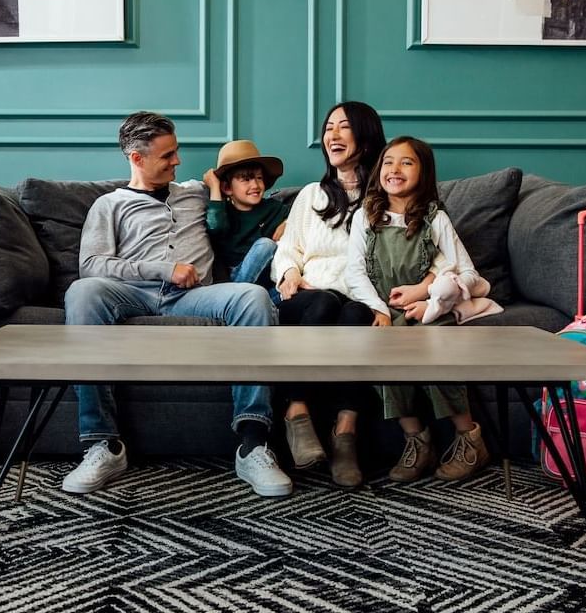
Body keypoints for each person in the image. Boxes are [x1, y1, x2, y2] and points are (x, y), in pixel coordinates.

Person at [61, 111, 292, 498]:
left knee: (252, 297)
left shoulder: (193, 193)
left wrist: (216, 184)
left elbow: (235, 198)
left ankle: (253, 443)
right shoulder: (110, 205)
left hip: (196, 296)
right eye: (167, 155)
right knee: (82, 292)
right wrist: (164, 269)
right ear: (137, 158)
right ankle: (102, 444)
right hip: (132, 295)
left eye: (176, 151)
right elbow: (92, 264)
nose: (177, 161)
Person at [345, 136, 502, 482]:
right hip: (387, 310)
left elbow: (468, 274)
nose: (395, 169)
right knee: (385, 359)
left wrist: (426, 294)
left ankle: (470, 439)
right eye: (388, 162)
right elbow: (354, 272)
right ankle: (417, 440)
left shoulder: (436, 219)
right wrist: (379, 310)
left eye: (406, 162)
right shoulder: (365, 218)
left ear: (424, 172)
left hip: (430, 311)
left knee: (436, 356)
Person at [270, 101, 386, 488]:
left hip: (355, 299)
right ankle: (296, 412)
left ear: (366, 138)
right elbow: (289, 248)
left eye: (344, 127)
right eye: (328, 128)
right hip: (308, 299)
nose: (332, 135)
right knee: (324, 301)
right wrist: (288, 273)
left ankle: (345, 432)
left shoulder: (384, 198)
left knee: (355, 313)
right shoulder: (311, 194)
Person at [203, 140, 289, 302]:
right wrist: (215, 188)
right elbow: (215, 227)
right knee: (266, 244)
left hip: (266, 284)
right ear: (227, 188)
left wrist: (288, 223)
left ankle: (260, 303)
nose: (255, 185)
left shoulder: (273, 208)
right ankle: (238, 301)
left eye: (259, 178)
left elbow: (301, 218)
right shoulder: (223, 211)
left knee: (292, 291)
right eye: (246, 179)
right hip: (236, 278)